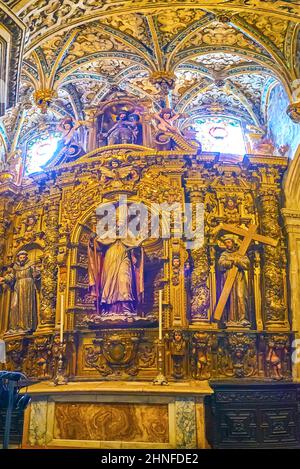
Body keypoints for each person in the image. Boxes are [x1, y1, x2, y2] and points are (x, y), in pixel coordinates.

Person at [88, 228, 144, 321]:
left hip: (124, 257)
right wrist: (92, 240)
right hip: (110, 258)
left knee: (124, 280)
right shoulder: (107, 235)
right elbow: (97, 247)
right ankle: (109, 309)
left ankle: (127, 308)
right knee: (109, 283)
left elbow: (136, 246)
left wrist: (138, 245)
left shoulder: (129, 234)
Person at [0, 250, 40, 333]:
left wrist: (37, 272)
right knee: (14, 306)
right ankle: (14, 327)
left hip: (27, 287)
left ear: (26, 257)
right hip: (17, 287)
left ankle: (26, 327)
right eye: (20, 257)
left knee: (25, 306)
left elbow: (37, 274)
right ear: (18, 258)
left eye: (23, 257)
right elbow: (11, 276)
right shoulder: (15, 267)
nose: (22, 259)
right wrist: (4, 278)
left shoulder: (31, 265)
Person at [218, 235, 250, 327]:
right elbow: (220, 264)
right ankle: (230, 319)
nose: (227, 244)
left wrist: (236, 260)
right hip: (228, 278)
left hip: (239, 278)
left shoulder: (241, 253)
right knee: (230, 298)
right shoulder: (224, 254)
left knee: (241, 296)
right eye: (225, 243)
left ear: (233, 242)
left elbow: (247, 264)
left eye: (229, 242)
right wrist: (231, 262)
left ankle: (243, 318)